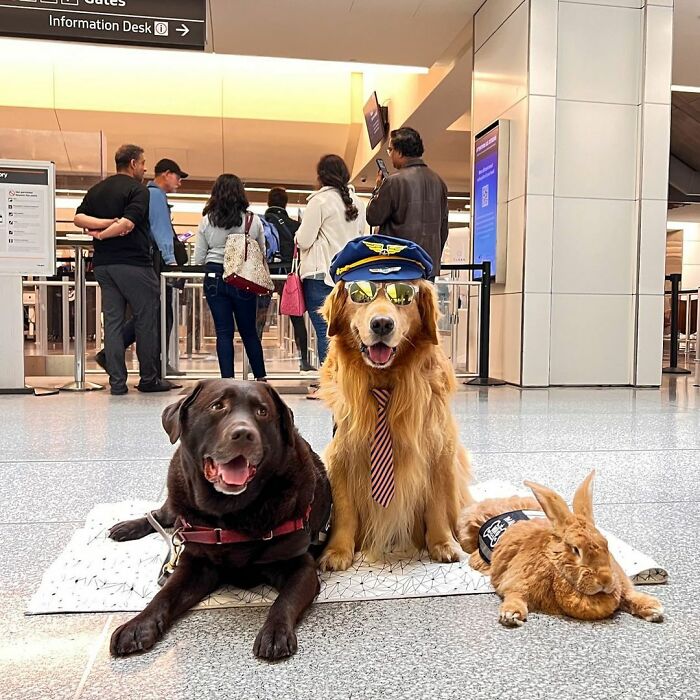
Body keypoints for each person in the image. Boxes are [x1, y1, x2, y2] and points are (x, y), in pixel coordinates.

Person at [74, 144, 173, 395]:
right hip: (134, 264)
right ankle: (149, 379)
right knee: (146, 320)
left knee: (114, 322)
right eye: (142, 163)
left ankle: (117, 383)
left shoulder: (97, 189)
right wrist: (111, 227)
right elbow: (127, 223)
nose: (144, 167)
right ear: (132, 163)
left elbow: (79, 218)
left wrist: (98, 233)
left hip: (104, 266)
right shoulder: (138, 190)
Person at [94, 157, 188, 376]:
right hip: (154, 263)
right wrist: (171, 262)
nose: (179, 182)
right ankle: (153, 370)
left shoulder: (146, 193)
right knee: (157, 315)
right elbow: (160, 231)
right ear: (166, 174)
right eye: (178, 176)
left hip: (124, 262)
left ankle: (116, 358)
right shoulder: (154, 195)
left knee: (143, 315)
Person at [296, 155, 365, 396]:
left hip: (320, 274)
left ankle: (333, 385)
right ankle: (349, 381)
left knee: (326, 331)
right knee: (349, 331)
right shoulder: (359, 201)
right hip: (352, 276)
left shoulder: (319, 201)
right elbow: (362, 239)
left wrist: (297, 235)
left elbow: (304, 239)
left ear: (322, 175)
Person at [193, 174, 267, 381]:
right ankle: (261, 378)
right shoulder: (253, 220)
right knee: (249, 332)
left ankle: (228, 381)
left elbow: (198, 258)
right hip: (243, 278)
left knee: (223, 332)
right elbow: (261, 252)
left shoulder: (207, 221)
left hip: (215, 276)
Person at [366, 127, 449, 278]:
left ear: (399, 152)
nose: (390, 155)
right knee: (424, 302)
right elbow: (443, 229)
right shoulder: (439, 182)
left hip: (399, 265)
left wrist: (378, 189)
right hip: (427, 266)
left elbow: (373, 217)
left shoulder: (393, 182)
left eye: (390, 150)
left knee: (399, 302)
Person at [264, 187, 313, 373]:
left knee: (259, 317)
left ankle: (253, 361)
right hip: (289, 276)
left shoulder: (261, 223)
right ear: (285, 203)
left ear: (269, 202)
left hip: (265, 274)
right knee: (297, 318)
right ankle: (304, 360)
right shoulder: (294, 226)